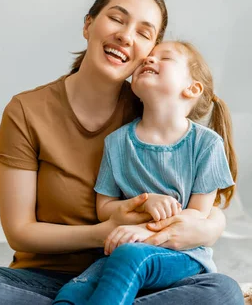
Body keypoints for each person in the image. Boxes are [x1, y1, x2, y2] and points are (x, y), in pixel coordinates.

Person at [0, 0, 243, 305]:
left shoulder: (154, 109)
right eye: (117, 18)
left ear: (151, 52)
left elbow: (207, 210)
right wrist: (105, 232)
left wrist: (209, 228)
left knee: (224, 292)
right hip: (46, 278)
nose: (126, 35)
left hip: (145, 278)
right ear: (88, 24)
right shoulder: (27, 111)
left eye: (144, 33)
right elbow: (19, 231)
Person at [52, 41, 241, 305]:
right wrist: (144, 202)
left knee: (132, 258)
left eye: (165, 58)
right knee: (72, 292)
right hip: (122, 251)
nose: (148, 60)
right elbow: (104, 208)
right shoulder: (117, 143)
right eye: (147, 58)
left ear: (192, 88)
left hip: (181, 253)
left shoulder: (206, 144)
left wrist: (145, 234)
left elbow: (198, 214)